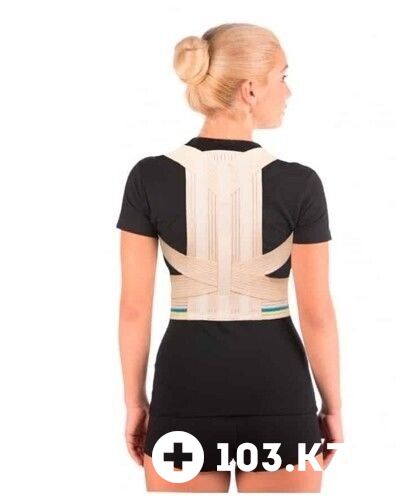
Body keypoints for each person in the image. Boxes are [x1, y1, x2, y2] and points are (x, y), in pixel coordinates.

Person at [116, 22, 343, 493]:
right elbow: (317, 312)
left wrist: (135, 403)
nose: (288, 91)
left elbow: (134, 309)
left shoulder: (148, 178)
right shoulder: (300, 184)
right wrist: (332, 406)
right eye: (282, 76)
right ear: (250, 89)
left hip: (184, 391)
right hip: (278, 395)